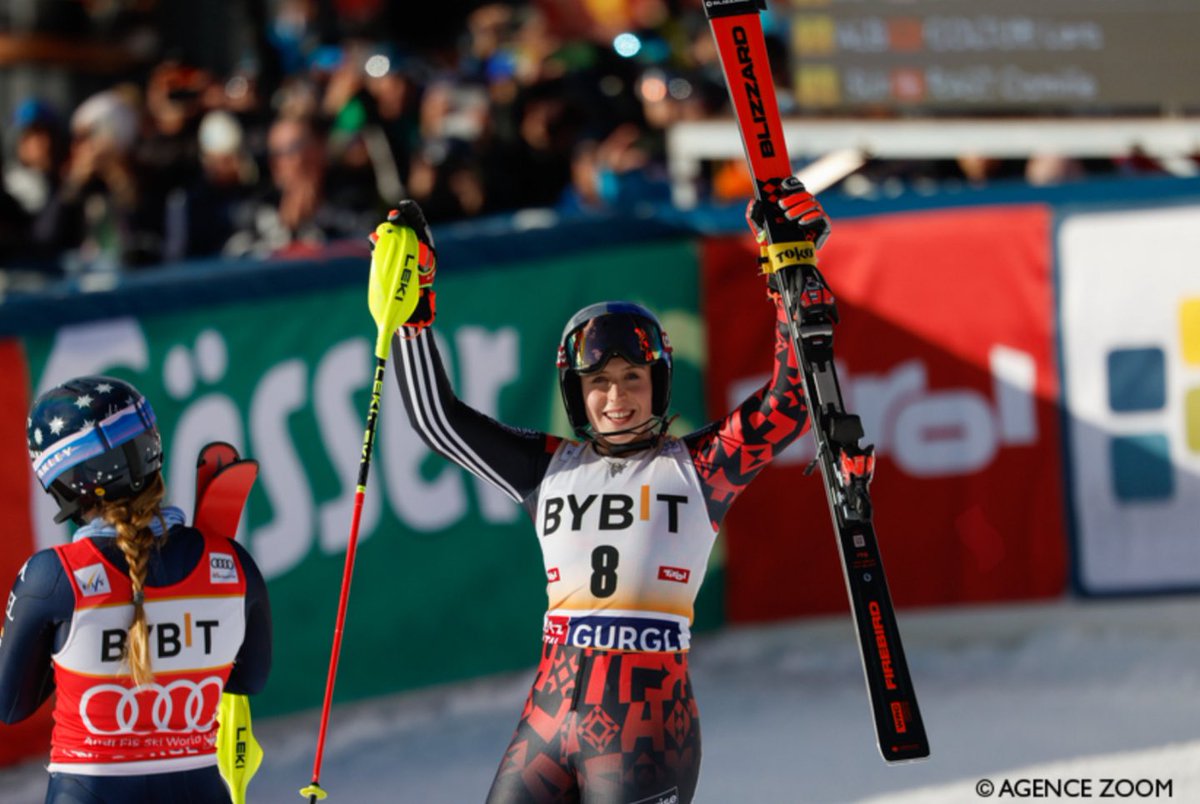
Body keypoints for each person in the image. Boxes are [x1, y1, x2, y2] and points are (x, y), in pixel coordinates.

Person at [374, 179, 829, 803]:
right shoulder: (547, 468)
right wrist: (413, 310)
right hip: (546, 723)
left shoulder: (699, 467)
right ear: (576, 394)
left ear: (659, 382)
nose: (616, 397)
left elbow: (790, 402)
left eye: (632, 378)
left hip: (646, 732)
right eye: (599, 383)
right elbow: (436, 421)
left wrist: (793, 273)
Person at [0, 377, 272, 803]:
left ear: (65, 485)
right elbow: (250, 679)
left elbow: (10, 705)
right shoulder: (233, 567)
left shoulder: (53, 578)